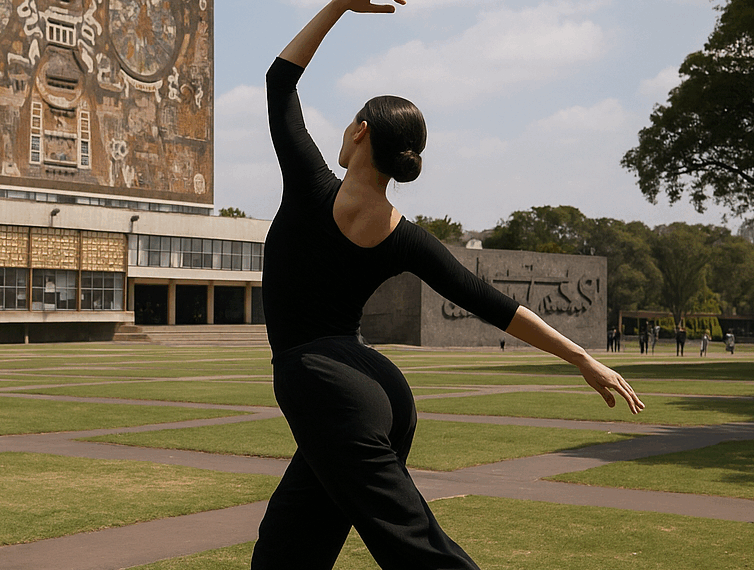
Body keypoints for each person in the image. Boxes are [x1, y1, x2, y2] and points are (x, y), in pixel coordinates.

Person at [253, 2, 645, 568]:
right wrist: (582, 357)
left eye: (349, 122)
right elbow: (494, 304)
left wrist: (338, 4)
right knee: (286, 548)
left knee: (418, 548)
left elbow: (280, 81)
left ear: (360, 132)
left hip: (325, 385)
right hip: (373, 388)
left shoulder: (309, 182)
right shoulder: (404, 237)